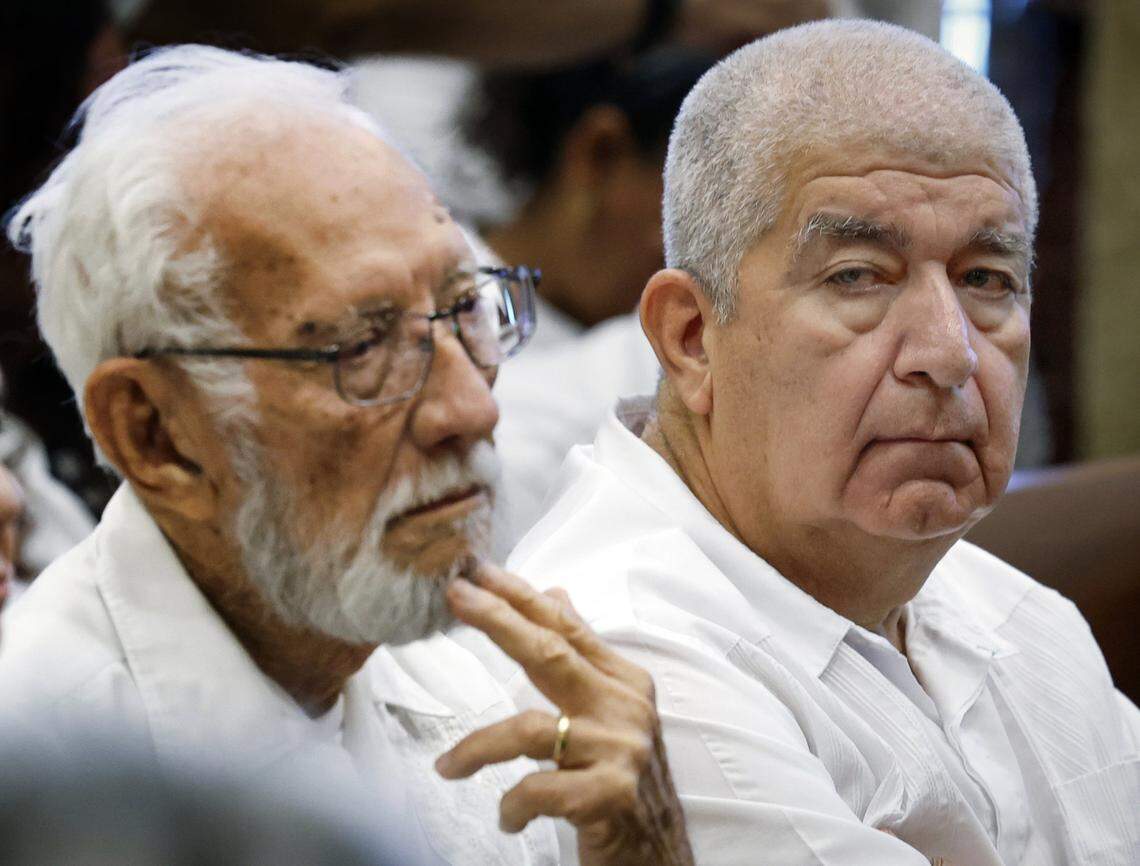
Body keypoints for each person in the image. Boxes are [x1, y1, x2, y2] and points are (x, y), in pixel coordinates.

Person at [0, 46, 692, 866]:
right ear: (156, 434)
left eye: (466, 306)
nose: (471, 408)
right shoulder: (49, 781)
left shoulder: (486, 669)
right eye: (363, 347)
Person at [504, 20, 1140, 866]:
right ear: (693, 338)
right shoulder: (624, 657)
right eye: (858, 278)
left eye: (987, 280)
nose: (949, 353)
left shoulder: (1019, 617)